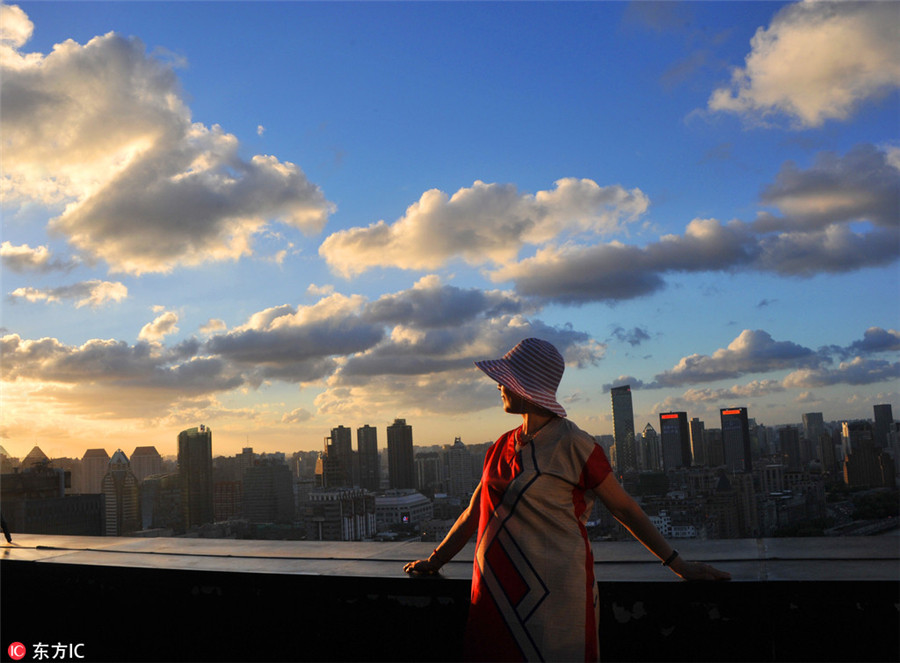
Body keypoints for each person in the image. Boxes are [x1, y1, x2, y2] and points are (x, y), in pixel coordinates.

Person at [404, 338, 730, 662]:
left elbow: (623, 508)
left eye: (507, 379)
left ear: (525, 386)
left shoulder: (575, 444)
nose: (499, 386)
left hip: (558, 601)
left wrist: (678, 564)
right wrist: (435, 561)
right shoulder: (499, 447)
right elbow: (474, 513)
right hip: (493, 595)